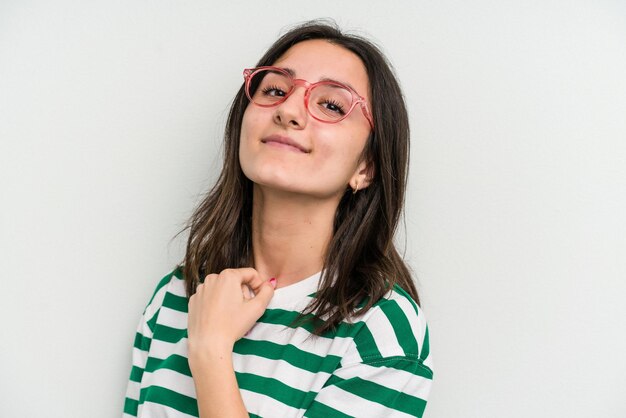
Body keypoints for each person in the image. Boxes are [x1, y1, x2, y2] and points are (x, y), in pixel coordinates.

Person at [123, 20, 433, 418]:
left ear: (367, 167)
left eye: (331, 105)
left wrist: (211, 350)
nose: (288, 110)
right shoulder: (176, 296)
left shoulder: (382, 332)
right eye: (274, 90)